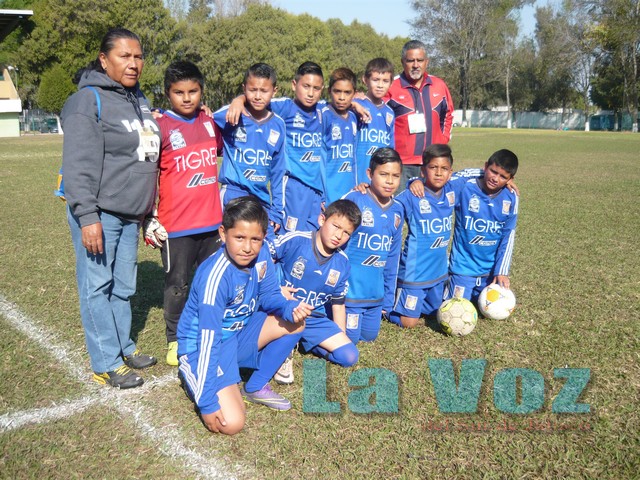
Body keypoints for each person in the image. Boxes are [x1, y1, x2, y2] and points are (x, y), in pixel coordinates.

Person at [61, 28, 160, 389]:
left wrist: (149, 207)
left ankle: (123, 348)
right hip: (100, 213)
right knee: (97, 286)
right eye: (124, 56)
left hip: (131, 213)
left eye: (138, 56)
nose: (133, 64)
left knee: (123, 286)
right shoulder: (87, 101)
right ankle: (105, 362)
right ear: (104, 60)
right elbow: (78, 165)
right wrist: (87, 217)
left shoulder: (140, 99)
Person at [177, 197, 313, 434]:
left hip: (236, 336)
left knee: (295, 323)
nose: (248, 247)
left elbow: (271, 294)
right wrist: (207, 403)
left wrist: (288, 308)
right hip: (203, 346)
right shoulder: (215, 277)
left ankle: (255, 386)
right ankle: (194, 373)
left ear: (263, 238)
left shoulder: (260, 257)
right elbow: (209, 339)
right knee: (231, 424)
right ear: (223, 233)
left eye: (255, 240)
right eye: (239, 238)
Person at [143, 60, 223, 367]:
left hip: (212, 223)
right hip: (176, 225)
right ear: (168, 94)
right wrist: (148, 216)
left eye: (193, 91)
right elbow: (147, 174)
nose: (187, 98)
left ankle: (206, 331)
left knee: (209, 283)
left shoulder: (209, 122)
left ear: (202, 91)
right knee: (177, 285)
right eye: (179, 92)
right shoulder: (159, 126)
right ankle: (175, 339)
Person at [271, 199, 362, 384]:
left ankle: (305, 342)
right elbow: (264, 255)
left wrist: (340, 334)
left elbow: (338, 303)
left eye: (346, 233)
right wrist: (275, 288)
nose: (339, 235)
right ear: (322, 220)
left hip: (313, 319)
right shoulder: (296, 240)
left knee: (349, 355)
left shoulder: (342, 263)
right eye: (336, 226)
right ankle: (283, 347)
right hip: (282, 311)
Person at [389, 144, 479, 327]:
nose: (439, 173)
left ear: (450, 172)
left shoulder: (453, 188)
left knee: (435, 313)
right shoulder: (413, 195)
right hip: (415, 274)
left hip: (438, 273)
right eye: (433, 168)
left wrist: (499, 176)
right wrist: (412, 181)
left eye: (444, 169)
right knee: (409, 322)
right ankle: (385, 309)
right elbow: (388, 206)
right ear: (423, 171)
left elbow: (471, 173)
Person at [212, 63, 287, 239]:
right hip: (233, 193)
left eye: (264, 90)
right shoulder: (231, 113)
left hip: (261, 197)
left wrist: (276, 211)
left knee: (263, 247)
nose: (258, 96)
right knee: (232, 244)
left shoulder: (278, 125)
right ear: (244, 88)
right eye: (252, 90)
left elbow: (278, 173)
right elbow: (201, 118)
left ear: (274, 91)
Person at [342, 148, 404, 343]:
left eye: (395, 176)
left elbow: (393, 258)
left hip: (374, 297)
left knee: (369, 337)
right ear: (369, 174)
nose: (389, 181)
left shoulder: (398, 210)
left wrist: (387, 298)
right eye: (383, 174)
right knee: (349, 339)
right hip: (350, 294)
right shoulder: (355, 199)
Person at [445, 149, 519, 303]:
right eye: (493, 171)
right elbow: (445, 178)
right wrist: (479, 172)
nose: (495, 178)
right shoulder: (466, 187)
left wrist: (502, 271)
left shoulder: (511, 197)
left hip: (490, 273)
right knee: (457, 309)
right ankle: (449, 283)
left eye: (503, 177)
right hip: (462, 269)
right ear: (486, 166)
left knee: (493, 309)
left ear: (510, 179)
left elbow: (508, 236)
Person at [385, 40, 454, 193]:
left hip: (432, 163)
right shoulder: (391, 87)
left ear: (426, 62)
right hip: (402, 164)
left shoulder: (439, 85)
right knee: (399, 209)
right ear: (403, 62)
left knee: (427, 210)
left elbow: (448, 114)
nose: (415, 65)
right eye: (410, 60)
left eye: (420, 60)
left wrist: (442, 141)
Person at [353, 58, 396, 185]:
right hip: (359, 176)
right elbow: (336, 105)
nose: (380, 85)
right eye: (375, 80)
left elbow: (390, 148)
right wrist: (352, 103)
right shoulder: (357, 105)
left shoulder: (389, 112)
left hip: (381, 179)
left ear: (391, 83)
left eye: (385, 81)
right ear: (365, 80)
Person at [322, 67, 359, 204]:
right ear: (329, 91)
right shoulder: (324, 115)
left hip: (349, 192)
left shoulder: (354, 118)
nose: (342, 97)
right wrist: (322, 196)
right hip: (328, 194)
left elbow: (353, 158)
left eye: (347, 92)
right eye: (337, 91)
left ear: (354, 93)